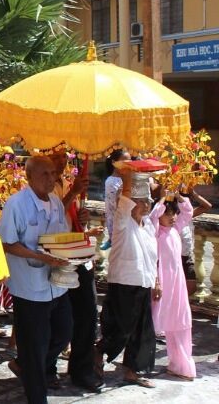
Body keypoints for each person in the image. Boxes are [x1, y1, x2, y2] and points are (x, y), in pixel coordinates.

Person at [0, 156, 72, 404]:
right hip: (29, 287)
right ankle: (36, 395)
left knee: (63, 333)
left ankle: (26, 365)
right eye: (45, 174)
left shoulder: (55, 202)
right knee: (35, 345)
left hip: (56, 283)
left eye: (53, 174)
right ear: (29, 177)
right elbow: (8, 243)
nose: (51, 179)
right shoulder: (16, 204)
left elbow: (61, 237)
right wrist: (38, 256)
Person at [96, 165, 158, 388]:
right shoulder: (123, 223)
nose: (145, 206)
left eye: (147, 202)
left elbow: (153, 257)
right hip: (124, 282)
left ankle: (132, 370)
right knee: (121, 329)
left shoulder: (148, 226)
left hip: (143, 282)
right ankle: (97, 353)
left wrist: (156, 282)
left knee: (141, 330)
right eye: (141, 202)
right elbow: (124, 201)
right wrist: (129, 175)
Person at [48, 151, 104, 393]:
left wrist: (82, 216)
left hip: (79, 254)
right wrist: (71, 195)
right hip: (57, 256)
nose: (61, 161)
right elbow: (49, 218)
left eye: (64, 157)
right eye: (55, 156)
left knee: (88, 314)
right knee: (59, 319)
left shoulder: (70, 182)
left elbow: (74, 217)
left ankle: (82, 370)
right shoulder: (42, 187)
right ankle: (45, 367)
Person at [150, 193, 196, 380]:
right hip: (162, 283)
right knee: (153, 323)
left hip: (177, 285)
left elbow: (188, 211)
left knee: (180, 323)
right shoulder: (154, 231)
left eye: (174, 214)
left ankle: (180, 364)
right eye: (168, 214)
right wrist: (163, 198)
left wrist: (176, 194)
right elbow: (153, 215)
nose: (173, 217)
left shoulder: (175, 229)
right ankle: (137, 363)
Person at [102, 149, 131, 250]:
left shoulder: (126, 180)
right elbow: (117, 206)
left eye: (129, 161)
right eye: (124, 161)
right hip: (118, 226)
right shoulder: (112, 181)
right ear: (114, 163)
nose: (127, 164)